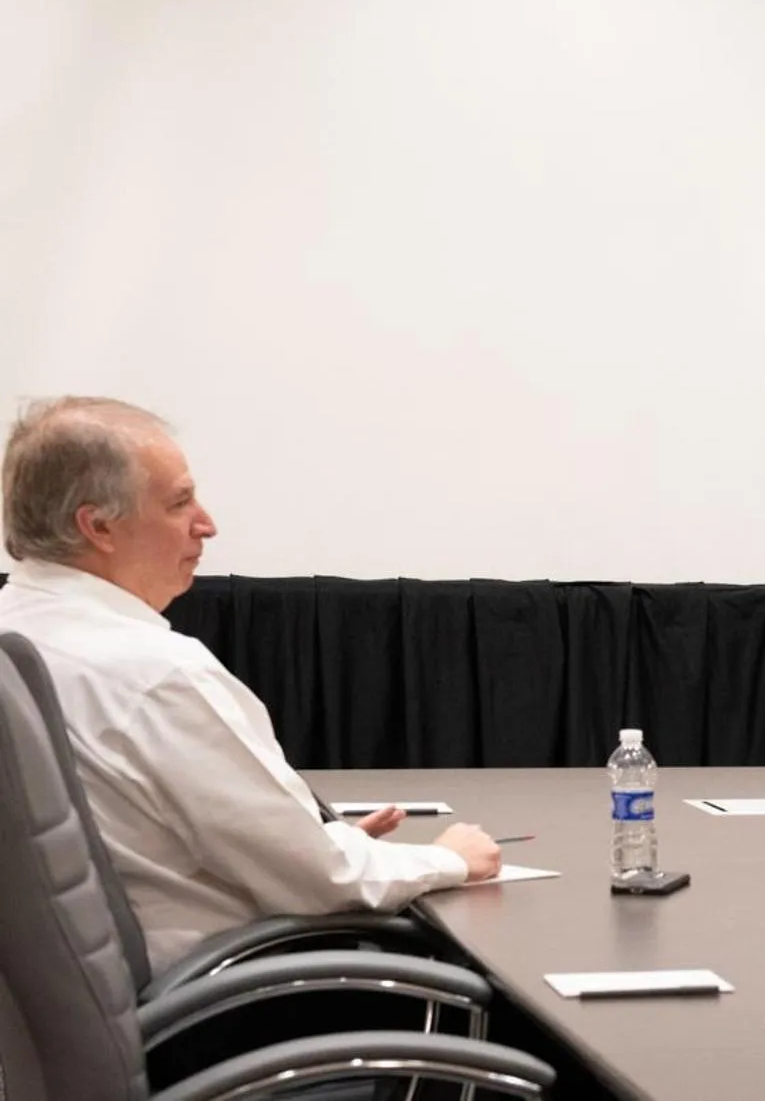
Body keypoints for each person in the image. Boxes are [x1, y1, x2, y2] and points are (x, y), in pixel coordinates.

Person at [0, 397, 500, 971]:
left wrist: (303, 851)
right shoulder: (154, 673)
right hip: (232, 1004)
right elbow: (324, 882)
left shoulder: (17, 631)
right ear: (99, 526)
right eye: (179, 502)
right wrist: (447, 861)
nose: (206, 524)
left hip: (97, 1011)